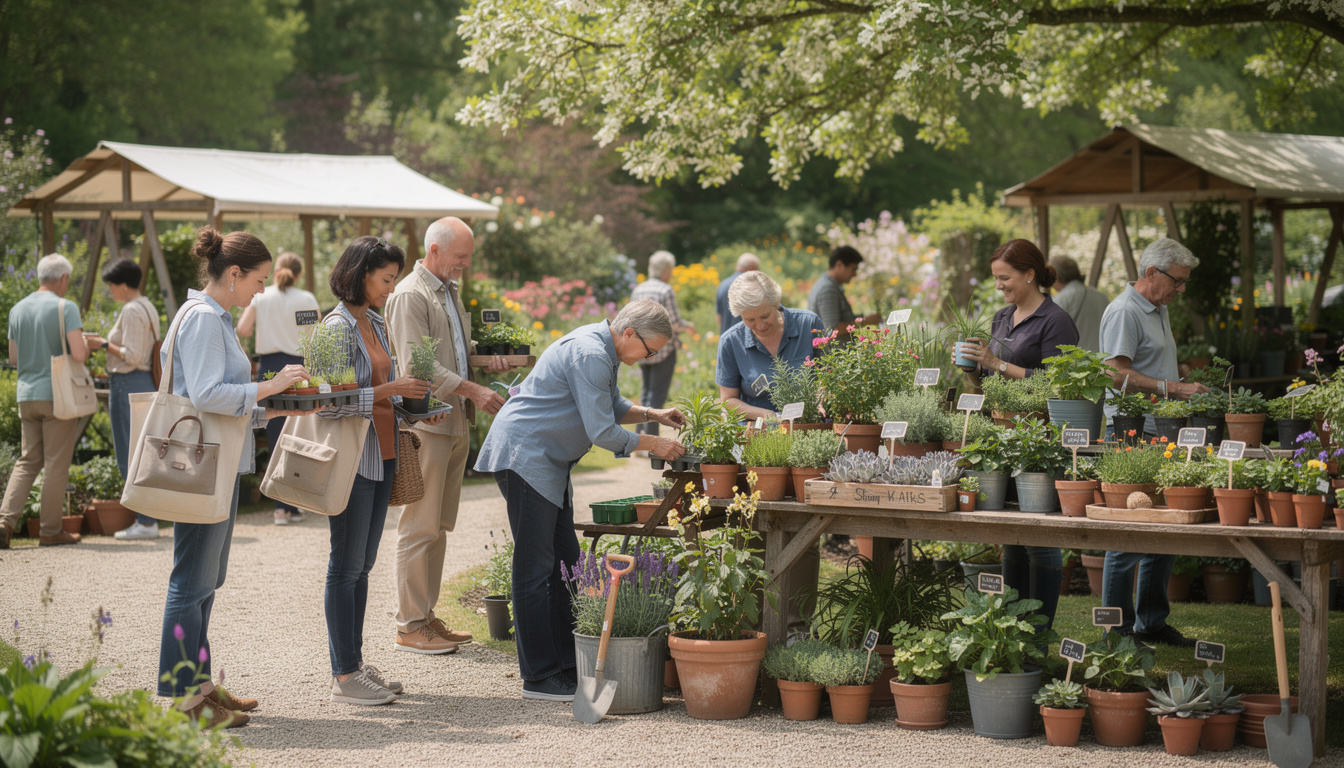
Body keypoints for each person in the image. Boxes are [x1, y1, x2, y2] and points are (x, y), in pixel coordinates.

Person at [474, 300, 687, 701]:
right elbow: (603, 431)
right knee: (535, 566)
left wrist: (653, 412)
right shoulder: (591, 352)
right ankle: (539, 676)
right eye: (650, 350)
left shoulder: (602, 348)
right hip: (526, 456)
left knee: (564, 563)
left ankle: (566, 666)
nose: (650, 358)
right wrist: (653, 442)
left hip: (546, 461)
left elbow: (612, 406)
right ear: (628, 334)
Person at [157, 227, 312, 727]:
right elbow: (206, 395)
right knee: (192, 581)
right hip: (204, 465)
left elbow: (221, 395)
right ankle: (187, 701)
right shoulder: (205, 319)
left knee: (205, 579)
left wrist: (273, 401)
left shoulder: (211, 317)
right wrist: (268, 387)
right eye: (258, 281)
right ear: (233, 274)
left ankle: (199, 687)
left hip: (213, 462)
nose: (261, 291)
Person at [319, 237, 446, 705]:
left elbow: (382, 398)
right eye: (386, 279)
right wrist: (392, 386)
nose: (391, 289)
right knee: (345, 566)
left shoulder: (372, 321)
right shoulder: (334, 329)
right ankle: (344, 675)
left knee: (362, 567)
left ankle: (353, 664)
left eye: (394, 280)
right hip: (353, 460)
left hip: (382, 456)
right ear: (360, 274)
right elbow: (329, 405)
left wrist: (415, 410)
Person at [386, 217, 510, 655]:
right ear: (434, 251)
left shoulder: (448, 292)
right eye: (460, 257)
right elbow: (417, 367)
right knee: (419, 526)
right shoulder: (409, 296)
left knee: (437, 526)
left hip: (454, 421)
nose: (465, 265)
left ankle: (426, 616)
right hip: (427, 425)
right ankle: (409, 624)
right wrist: (474, 388)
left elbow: (453, 354)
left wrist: (486, 361)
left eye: (468, 258)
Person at [955, 239, 1079, 629]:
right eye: (995, 278)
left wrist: (996, 362)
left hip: (1038, 439)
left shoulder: (1056, 321)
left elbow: (1059, 384)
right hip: (1002, 437)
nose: (998, 286)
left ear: (1029, 274)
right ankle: (1014, 628)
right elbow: (988, 380)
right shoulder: (1001, 318)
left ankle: (1038, 632)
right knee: (1010, 533)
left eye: (1004, 278)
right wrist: (973, 368)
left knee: (1039, 537)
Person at [1098, 237, 1210, 648]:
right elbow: (1113, 373)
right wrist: (1173, 389)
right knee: (1128, 532)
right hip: (1131, 431)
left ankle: (1151, 622)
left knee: (1163, 528)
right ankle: (1117, 628)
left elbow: (1148, 363)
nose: (1181, 290)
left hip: (1158, 429)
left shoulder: (1156, 307)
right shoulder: (1125, 311)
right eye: (1177, 282)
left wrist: (1178, 380)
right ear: (1151, 273)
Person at [0, 253, 97, 548]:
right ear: (64, 278)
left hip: (27, 396)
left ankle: (4, 521)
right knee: (56, 464)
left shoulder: (17, 309)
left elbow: (14, 358)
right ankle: (51, 530)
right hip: (58, 397)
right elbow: (78, 355)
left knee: (28, 460)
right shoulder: (64, 307)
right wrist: (87, 345)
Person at [237, 251, 321, 526]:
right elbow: (316, 334)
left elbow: (244, 328)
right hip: (299, 369)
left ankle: (279, 508)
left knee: (274, 435)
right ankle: (296, 504)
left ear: (275, 273)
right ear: (298, 274)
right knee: (300, 435)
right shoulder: (307, 299)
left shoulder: (261, 297)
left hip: (270, 369)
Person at [87, 258, 162, 540]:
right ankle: (148, 519)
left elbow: (132, 356)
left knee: (128, 454)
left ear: (122, 284)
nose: (110, 291)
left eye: (111, 285)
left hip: (128, 383)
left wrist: (102, 344)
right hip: (145, 383)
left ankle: (145, 521)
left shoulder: (131, 310)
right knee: (143, 452)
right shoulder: (148, 306)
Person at [716, 271, 825, 422]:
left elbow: (828, 374)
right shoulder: (730, 342)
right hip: (758, 429)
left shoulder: (809, 324)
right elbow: (728, 400)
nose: (760, 326)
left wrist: (820, 399)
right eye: (750, 319)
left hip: (809, 422)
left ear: (776, 303)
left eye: (765, 316)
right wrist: (767, 415)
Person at [629, 250, 693, 437]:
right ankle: (651, 439)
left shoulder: (638, 289)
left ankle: (641, 436)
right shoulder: (666, 290)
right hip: (662, 350)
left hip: (640, 348)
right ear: (666, 270)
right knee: (657, 395)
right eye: (671, 270)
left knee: (645, 393)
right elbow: (673, 323)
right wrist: (689, 326)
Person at [808, 245, 882, 338]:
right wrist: (866, 321)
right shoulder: (828, 289)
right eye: (853, 268)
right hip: (832, 352)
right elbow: (833, 329)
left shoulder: (829, 285)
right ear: (839, 265)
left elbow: (841, 319)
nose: (855, 274)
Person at [1050, 255, 1110, 353]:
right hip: (1103, 361)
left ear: (1056, 276)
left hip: (1077, 364)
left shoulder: (1059, 301)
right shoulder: (1102, 297)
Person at [715, 251, 760, 335]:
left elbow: (719, 318)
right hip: (745, 339)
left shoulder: (723, 285)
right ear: (752, 268)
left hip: (727, 339)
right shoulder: (751, 285)